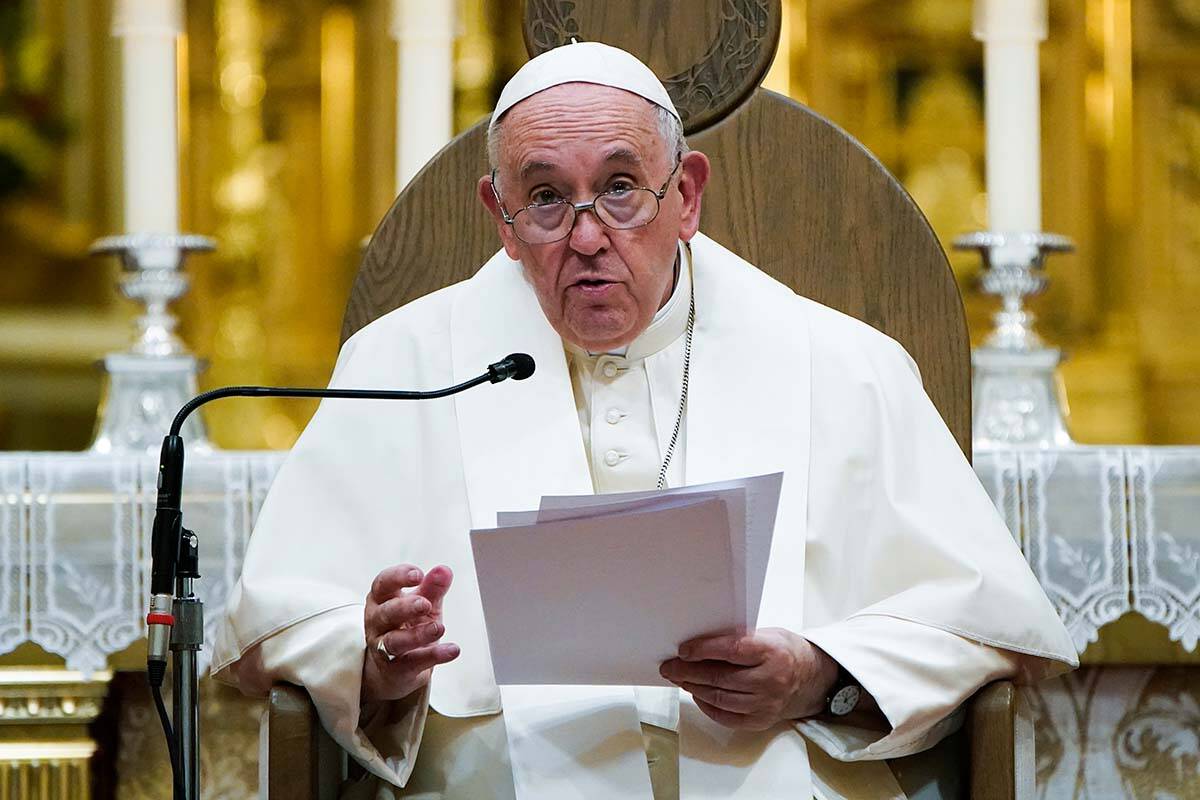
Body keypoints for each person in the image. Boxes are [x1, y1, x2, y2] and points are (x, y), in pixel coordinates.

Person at [213, 41, 1076, 799]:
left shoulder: (839, 364)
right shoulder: (402, 366)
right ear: (501, 219)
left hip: (773, 768)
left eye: (621, 189)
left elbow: (978, 619)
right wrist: (377, 659)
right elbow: (276, 623)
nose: (587, 235)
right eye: (546, 199)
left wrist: (818, 676)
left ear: (686, 195)